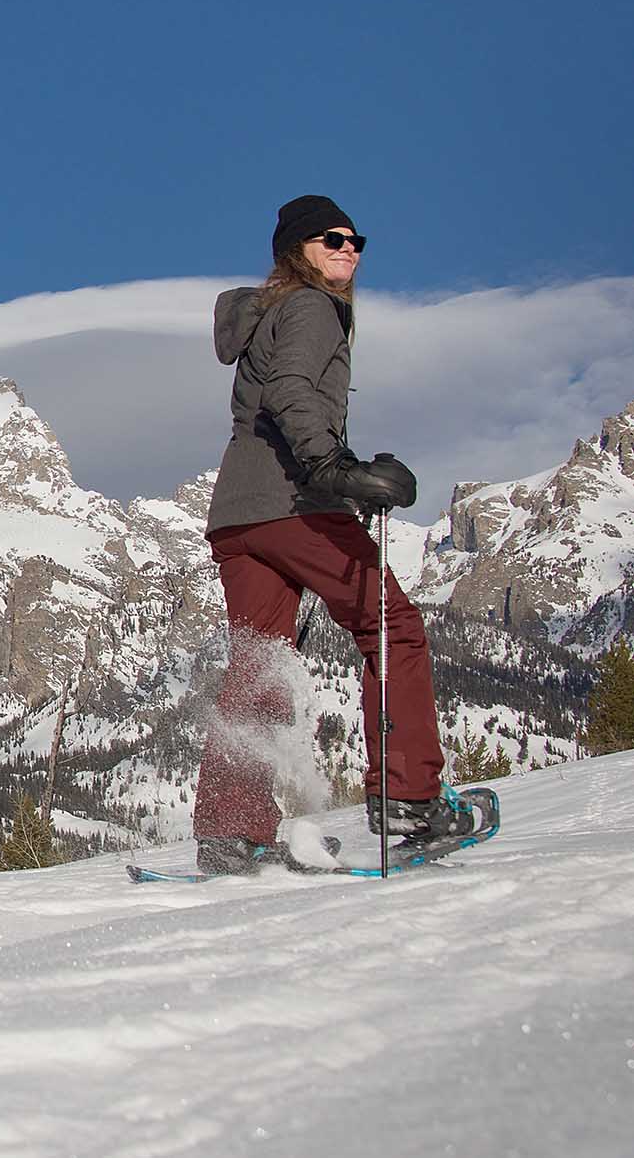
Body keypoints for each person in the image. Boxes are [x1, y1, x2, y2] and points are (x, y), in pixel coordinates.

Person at [197, 194, 478, 874]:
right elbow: (292, 390)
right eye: (333, 239)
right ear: (298, 249)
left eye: (356, 240)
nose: (349, 249)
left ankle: (232, 830)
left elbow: (272, 398)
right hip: (294, 501)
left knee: (258, 664)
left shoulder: (265, 312)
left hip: (237, 513)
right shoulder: (310, 308)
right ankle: (410, 799)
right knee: (395, 628)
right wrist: (334, 469)